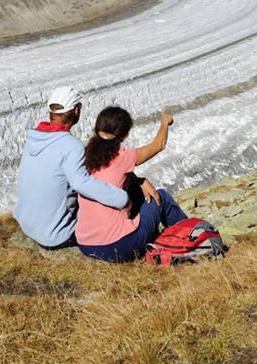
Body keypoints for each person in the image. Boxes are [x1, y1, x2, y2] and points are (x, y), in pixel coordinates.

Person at [13, 85, 160, 249]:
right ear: (76, 111)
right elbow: (83, 183)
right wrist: (123, 199)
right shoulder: (71, 147)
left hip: (27, 223)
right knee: (126, 192)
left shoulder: (34, 138)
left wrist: (137, 180)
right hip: (56, 235)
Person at [75, 105, 187, 262]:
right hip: (119, 247)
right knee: (161, 196)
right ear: (125, 135)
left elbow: (113, 176)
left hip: (86, 244)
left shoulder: (86, 156)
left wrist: (139, 181)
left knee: (131, 185)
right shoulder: (123, 156)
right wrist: (164, 123)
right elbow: (159, 145)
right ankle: (190, 235)